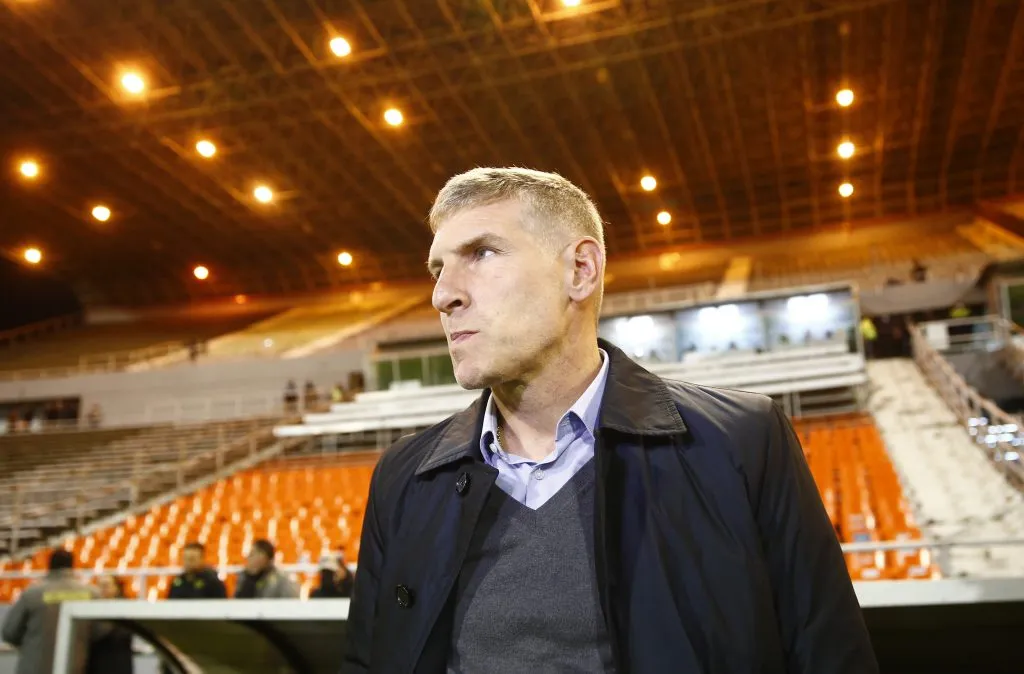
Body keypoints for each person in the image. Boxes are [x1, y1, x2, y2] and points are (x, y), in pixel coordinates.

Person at [344, 168, 878, 673]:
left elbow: (829, 656)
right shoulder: (404, 476)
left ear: (581, 270)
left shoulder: (741, 441)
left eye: (481, 253)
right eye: (438, 270)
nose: (443, 295)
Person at [1, 549, 98, 674]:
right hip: (75, 666)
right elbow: (100, 632)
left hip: (34, 667)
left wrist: (31, 643)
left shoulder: (32, 594)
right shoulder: (90, 594)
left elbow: (9, 633)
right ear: (72, 565)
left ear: (49, 565)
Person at [86, 576, 134, 674]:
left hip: (117, 662)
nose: (102, 589)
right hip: (96, 663)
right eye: (99, 586)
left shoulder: (125, 608)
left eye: (106, 585)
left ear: (116, 588)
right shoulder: (91, 609)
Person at [234, 539, 299, 599]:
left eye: (252, 554)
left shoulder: (281, 578)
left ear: (263, 556)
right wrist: (250, 577)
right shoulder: (243, 576)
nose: (248, 558)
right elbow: (239, 601)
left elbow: (290, 601)